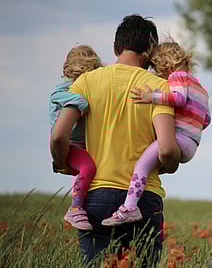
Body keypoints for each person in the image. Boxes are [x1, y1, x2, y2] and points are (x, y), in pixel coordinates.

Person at [50, 14, 180, 265]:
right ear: (150, 52)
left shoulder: (85, 82)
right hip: (144, 200)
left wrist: (63, 163)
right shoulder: (158, 88)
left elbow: (58, 136)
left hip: (96, 195)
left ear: (115, 47)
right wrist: (171, 165)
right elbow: (166, 149)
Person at [102, 40, 211, 226]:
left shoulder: (177, 76)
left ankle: (129, 207)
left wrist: (151, 97)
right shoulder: (201, 88)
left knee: (141, 166)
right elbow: (206, 120)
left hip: (179, 138)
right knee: (151, 164)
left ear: (164, 63)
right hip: (192, 143)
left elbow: (178, 98)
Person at [49, 45, 102, 230]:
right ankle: (75, 207)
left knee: (86, 169)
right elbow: (59, 97)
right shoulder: (65, 89)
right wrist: (83, 103)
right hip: (70, 144)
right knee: (87, 166)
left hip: (80, 144)